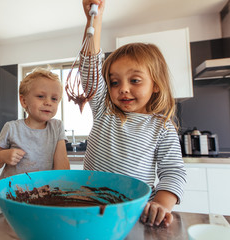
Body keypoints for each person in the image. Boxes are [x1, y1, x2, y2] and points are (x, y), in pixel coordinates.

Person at [79, 0, 187, 227]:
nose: (123, 88)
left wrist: (160, 204)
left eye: (135, 80)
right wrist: (94, 19)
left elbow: (173, 172)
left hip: (134, 214)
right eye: (114, 82)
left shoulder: (162, 127)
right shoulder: (104, 110)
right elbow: (90, 69)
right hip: (88, 206)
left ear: (156, 85)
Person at [0, 67, 70, 180]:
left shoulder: (57, 127)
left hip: (43, 193)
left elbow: (62, 167)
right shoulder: (12, 128)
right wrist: (2, 156)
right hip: (12, 193)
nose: (48, 102)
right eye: (40, 96)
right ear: (24, 101)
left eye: (54, 99)